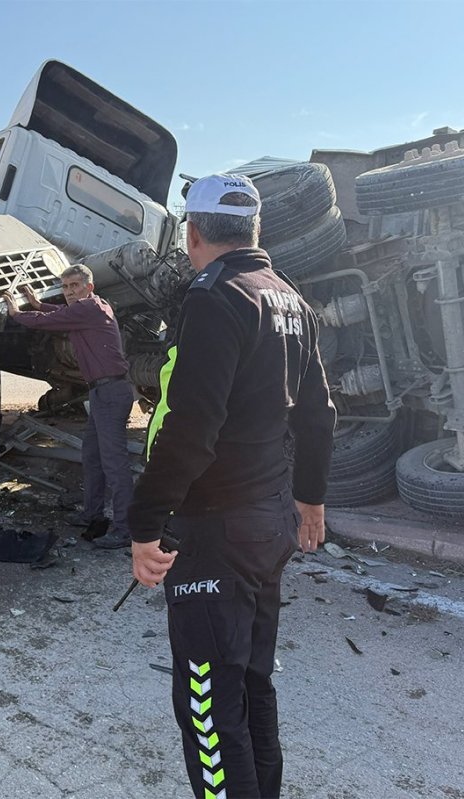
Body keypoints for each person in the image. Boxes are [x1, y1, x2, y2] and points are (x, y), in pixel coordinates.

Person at [127, 173, 336, 799]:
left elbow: (192, 427)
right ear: (256, 230)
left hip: (215, 529)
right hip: (266, 521)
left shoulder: (214, 298)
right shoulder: (288, 297)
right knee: (249, 683)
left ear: (192, 235)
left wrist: (143, 524)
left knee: (209, 708)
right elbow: (319, 412)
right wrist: (309, 499)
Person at [1, 265, 135, 549]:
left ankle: (125, 530)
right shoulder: (90, 308)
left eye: (75, 286)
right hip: (102, 392)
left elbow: (47, 320)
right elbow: (59, 313)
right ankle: (91, 514)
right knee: (92, 456)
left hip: (110, 393)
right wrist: (37, 303)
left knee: (115, 464)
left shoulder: (89, 309)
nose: (70, 292)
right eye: (65, 287)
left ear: (89, 287)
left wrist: (17, 313)